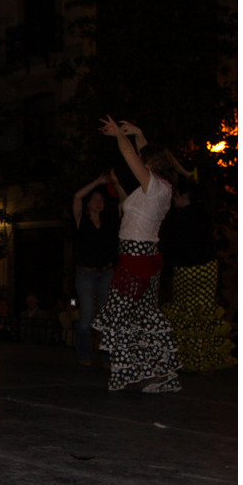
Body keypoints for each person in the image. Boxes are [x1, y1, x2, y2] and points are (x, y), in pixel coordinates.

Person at [92, 115, 181, 393]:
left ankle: (135, 372)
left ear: (152, 166)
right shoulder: (159, 187)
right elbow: (142, 154)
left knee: (119, 314)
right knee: (143, 315)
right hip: (142, 255)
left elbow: (131, 155)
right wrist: (139, 132)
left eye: (146, 162)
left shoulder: (153, 186)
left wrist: (120, 135)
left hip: (137, 256)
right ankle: (157, 374)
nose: (141, 165)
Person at [160, 176, 236, 373]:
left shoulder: (177, 217)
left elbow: (170, 244)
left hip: (188, 270)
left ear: (184, 197)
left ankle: (191, 356)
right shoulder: (203, 214)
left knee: (188, 311)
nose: (174, 199)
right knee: (203, 311)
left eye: (176, 195)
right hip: (206, 268)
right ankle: (205, 355)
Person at [72, 171, 125, 366]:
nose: (98, 202)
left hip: (105, 272)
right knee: (87, 314)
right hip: (85, 272)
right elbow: (77, 196)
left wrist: (116, 183)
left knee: (107, 315)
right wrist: (97, 182)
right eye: (94, 199)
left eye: (100, 200)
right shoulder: (81, 220)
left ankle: (107, 356)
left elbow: (124, 201)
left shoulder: (110, 221)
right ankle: (83, 355)